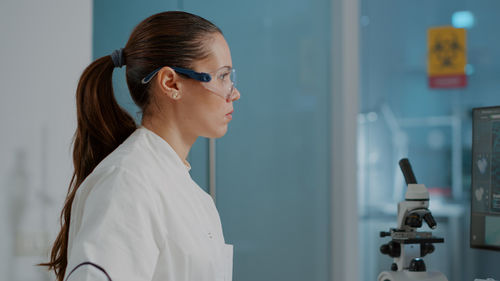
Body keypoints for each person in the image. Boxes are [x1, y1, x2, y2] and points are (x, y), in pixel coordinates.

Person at [40, 11, 240, 281]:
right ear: (171, 83)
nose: (234, 93)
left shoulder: (191, 194)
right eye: (222, 76)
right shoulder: (127, 181)